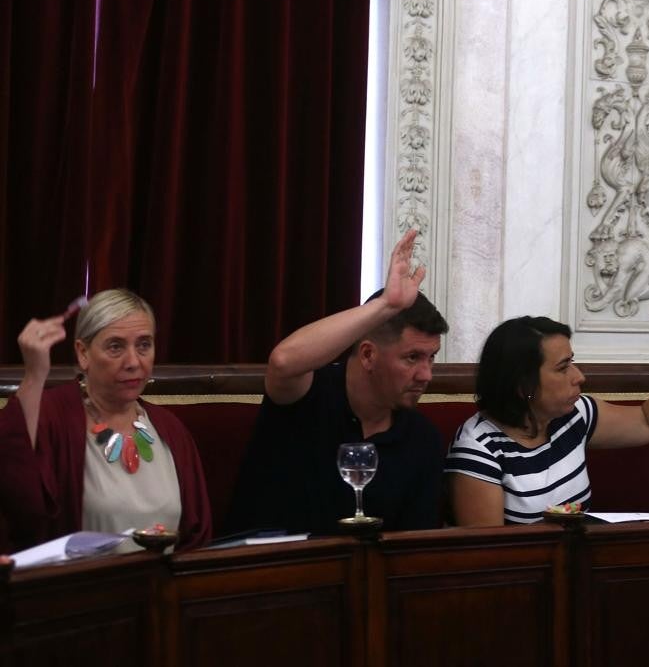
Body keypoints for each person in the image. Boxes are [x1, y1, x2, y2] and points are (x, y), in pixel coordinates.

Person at [227, 229, 448, 535]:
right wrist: (385, 306)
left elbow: (412, 551)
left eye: (431, 358)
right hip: (270, 571)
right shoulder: (308, 394)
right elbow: (283, 361)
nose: (426, 375)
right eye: (412, 358)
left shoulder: (423, 440)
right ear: (368, 355)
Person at [0, 290, 212, 553]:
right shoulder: (52, 417)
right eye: (115, 347)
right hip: (78, 589)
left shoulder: (171, 429)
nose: (134, 362)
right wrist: (35, 374)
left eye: (144, 345)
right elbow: (17, 505)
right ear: (83, 353)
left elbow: (196, 541)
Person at [446, 311, 649, 525]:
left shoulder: (573, 415)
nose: (578, 376)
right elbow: (490, 557)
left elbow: (647, 422)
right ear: (523, 385)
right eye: (562, 367)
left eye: (573, 362)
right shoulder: (479, 448)